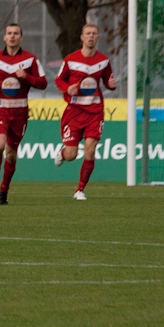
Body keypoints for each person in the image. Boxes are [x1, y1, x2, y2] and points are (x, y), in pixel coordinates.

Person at [0, 24, 47, 205]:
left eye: (16, 33)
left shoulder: (30, 60)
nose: (12, 36)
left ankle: (4, 191)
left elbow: (43, 83)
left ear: (21, 38)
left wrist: (26, 77)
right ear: (4, 37)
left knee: (11, 154)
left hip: (19, 112)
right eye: (9, 33)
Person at [53, 23, 117, 200]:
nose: (91, 36)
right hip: (74, 112)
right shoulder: (70, 59)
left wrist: (111, 86)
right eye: (88, 33)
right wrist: (68, 89)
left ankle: (80, 190)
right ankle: (63, 153)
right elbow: (59, 80)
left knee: (90, 150)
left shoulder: (103, 60)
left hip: (95, 112)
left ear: (97, 38)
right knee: (72, 154)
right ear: (82, 37)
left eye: (94, 33)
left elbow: (107, 81)